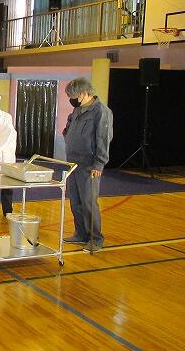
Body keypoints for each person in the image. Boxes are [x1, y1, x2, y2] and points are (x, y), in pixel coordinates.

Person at [62, 77, 113, 253]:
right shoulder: (77, 110)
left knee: (88, 203)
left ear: (84, 93)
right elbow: (69, 127)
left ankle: (96, 239)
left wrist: (99, 164)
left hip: (89, 165)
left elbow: (103, 139)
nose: (72, 99)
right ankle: (81, 233)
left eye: (74, 96)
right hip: (73, 163)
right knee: (75, 202)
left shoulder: (101, 112)